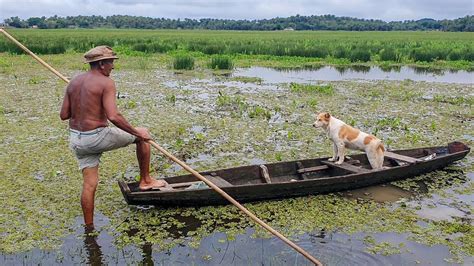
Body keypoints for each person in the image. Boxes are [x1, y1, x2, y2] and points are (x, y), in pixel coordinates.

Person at [60, 45, 167, 226]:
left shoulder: (74, 82)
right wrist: (136, 132)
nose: (113, 66)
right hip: (95, 137)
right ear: (101, 64)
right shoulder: (106, 82)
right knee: (143, 134)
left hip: (76, 140)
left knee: (89, 184)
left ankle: (89, 226)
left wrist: (87, 105)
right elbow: (114, 116)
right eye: (111, 62)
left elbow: (64, 115)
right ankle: (146, 180)